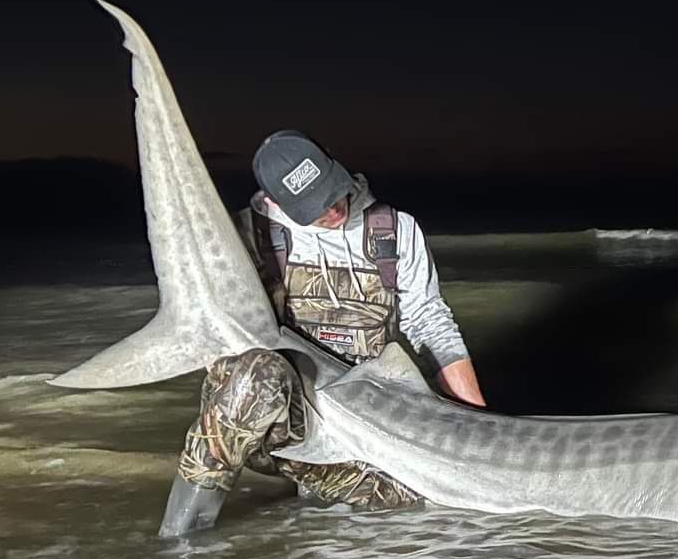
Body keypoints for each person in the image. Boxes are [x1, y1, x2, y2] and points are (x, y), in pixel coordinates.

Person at [161, 130, 484, 538]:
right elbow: (211, 331)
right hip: (282, 422)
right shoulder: (247, 238)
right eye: (315, 207)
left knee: (443, 508)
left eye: (333, 191)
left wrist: (482, 425)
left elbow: (430, 322)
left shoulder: (395, 230)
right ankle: (179, 542)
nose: (333, 209)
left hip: (370, 424)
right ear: (275, 202)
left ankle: (319, 495)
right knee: (254, 373)